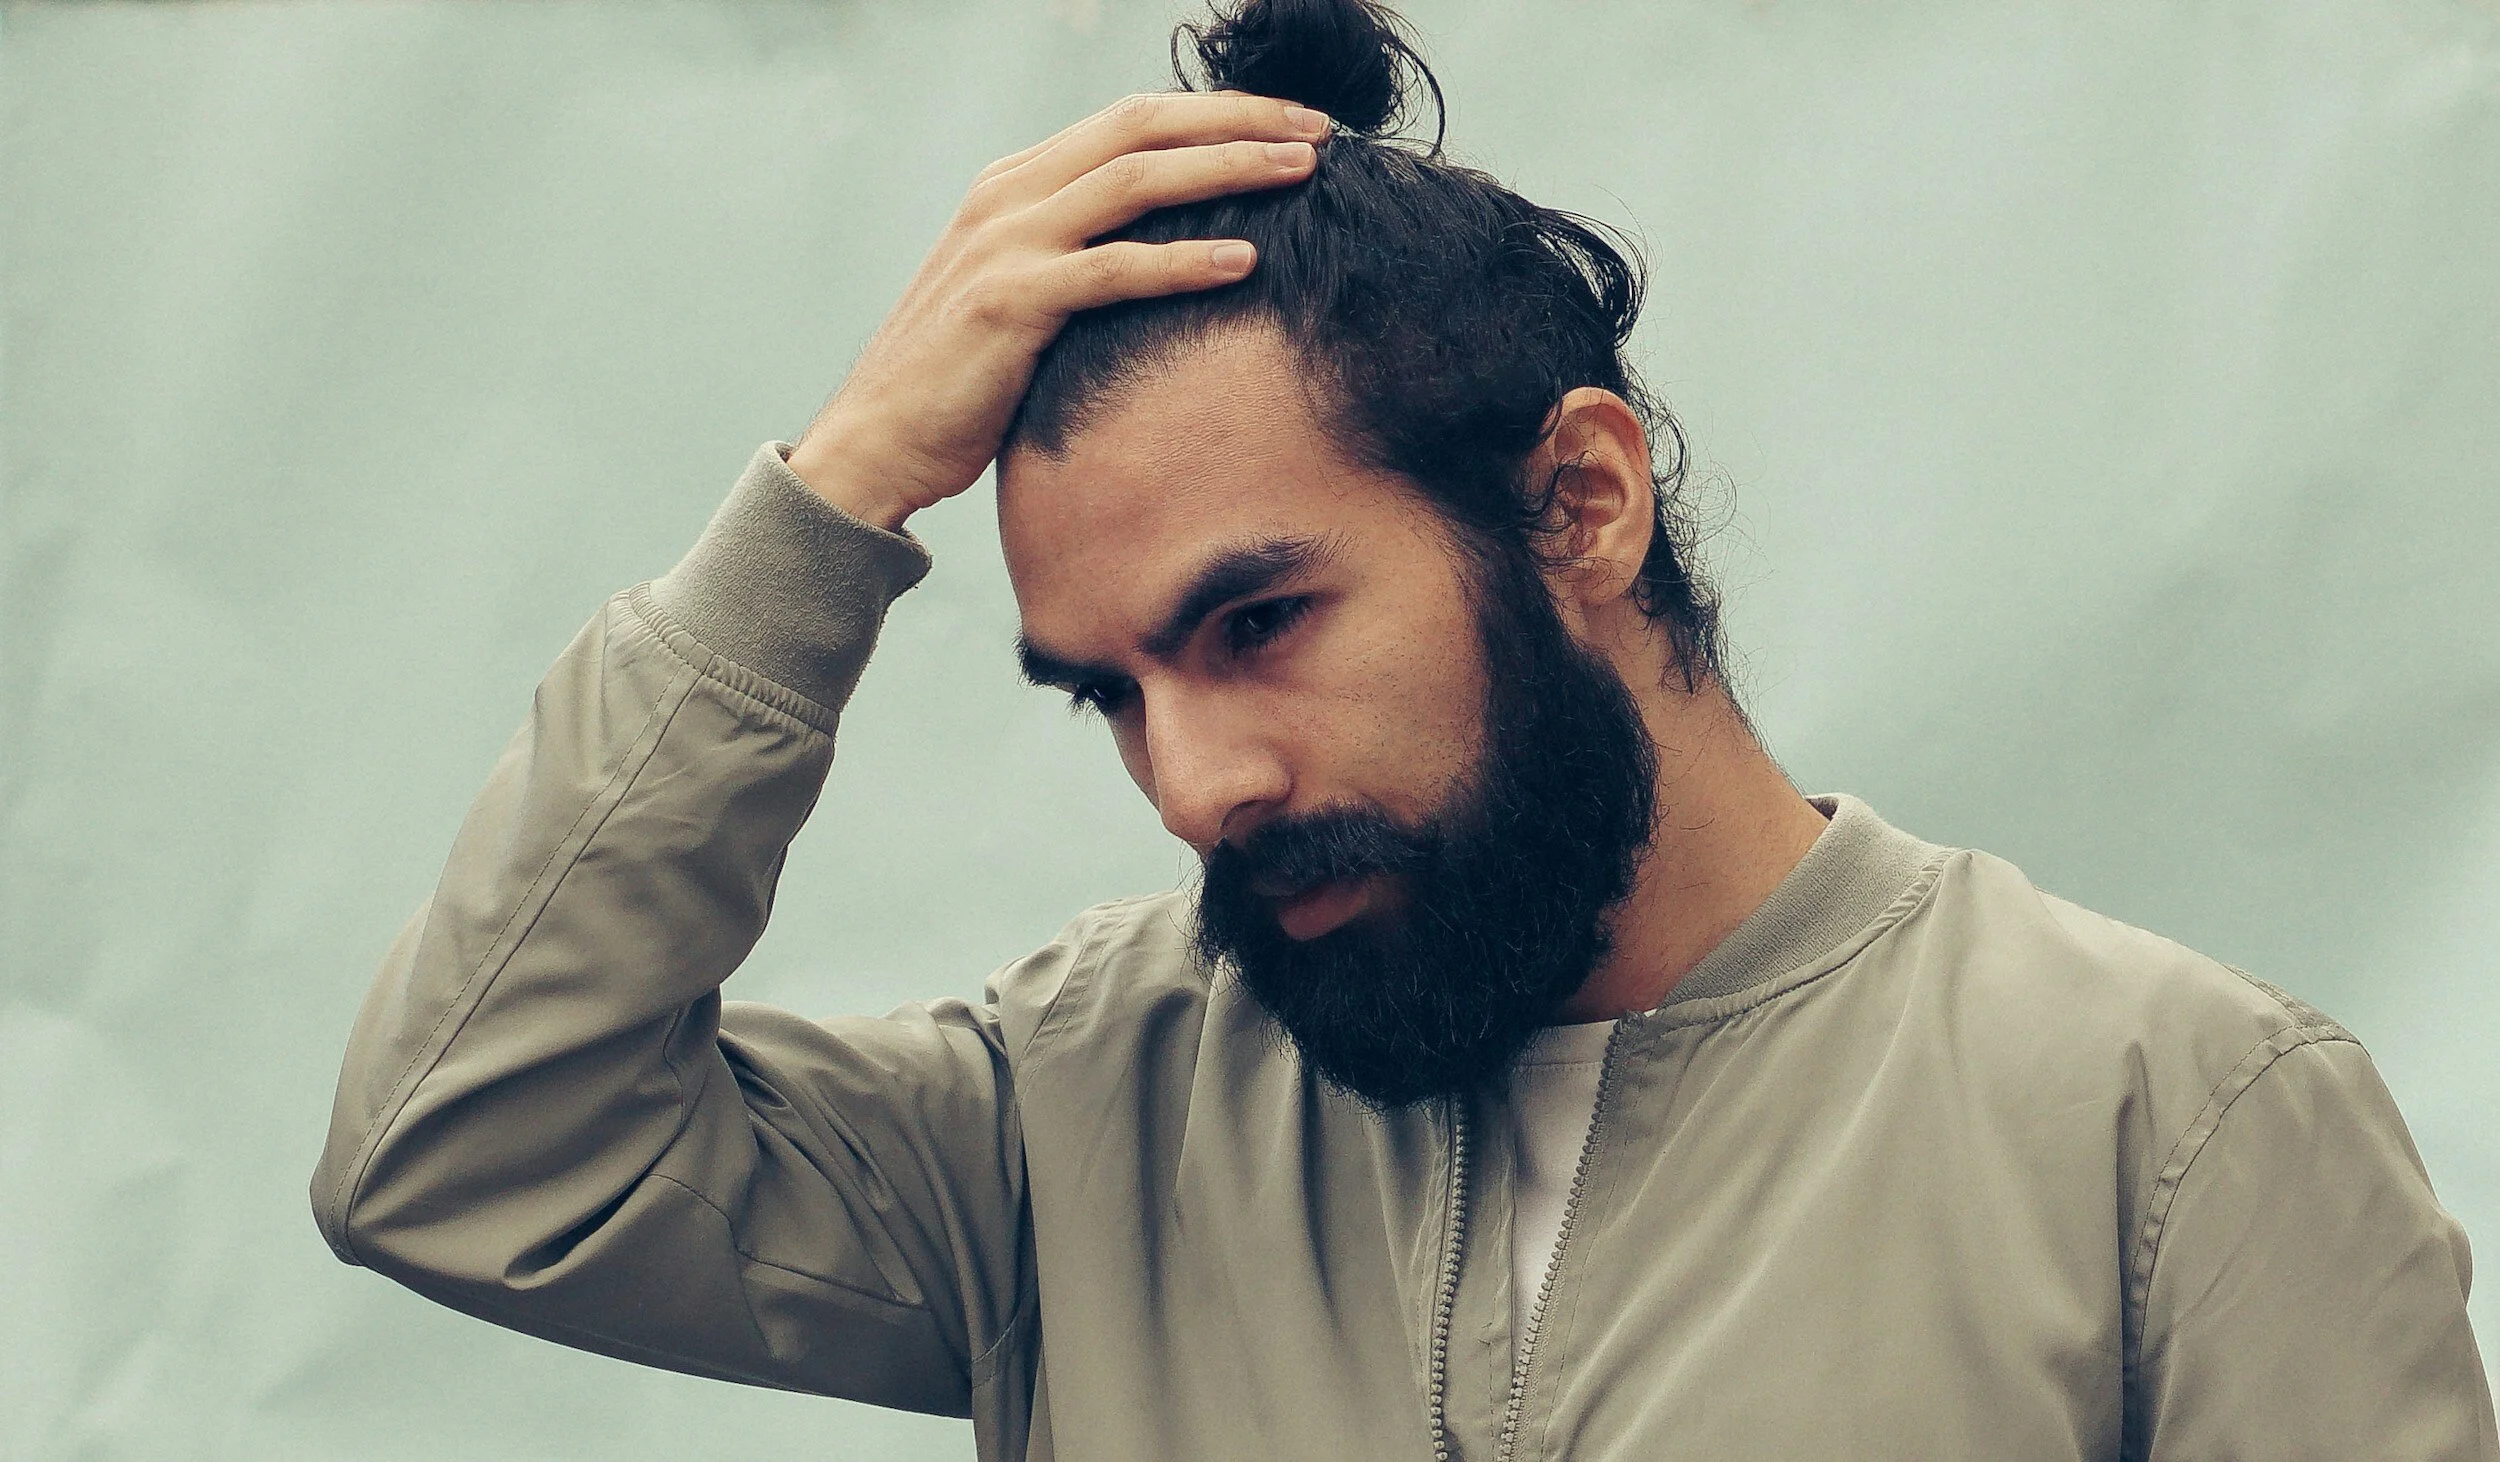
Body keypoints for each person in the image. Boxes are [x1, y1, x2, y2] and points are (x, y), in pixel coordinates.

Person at [311, 0, 2498, 1456]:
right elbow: (471, 1146)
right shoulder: (1076, 1113)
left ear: (1577, 498)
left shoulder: (2167, 1120)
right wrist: (834, 496)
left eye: (1253, 619)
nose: (1193, 781)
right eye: (1111, 697)